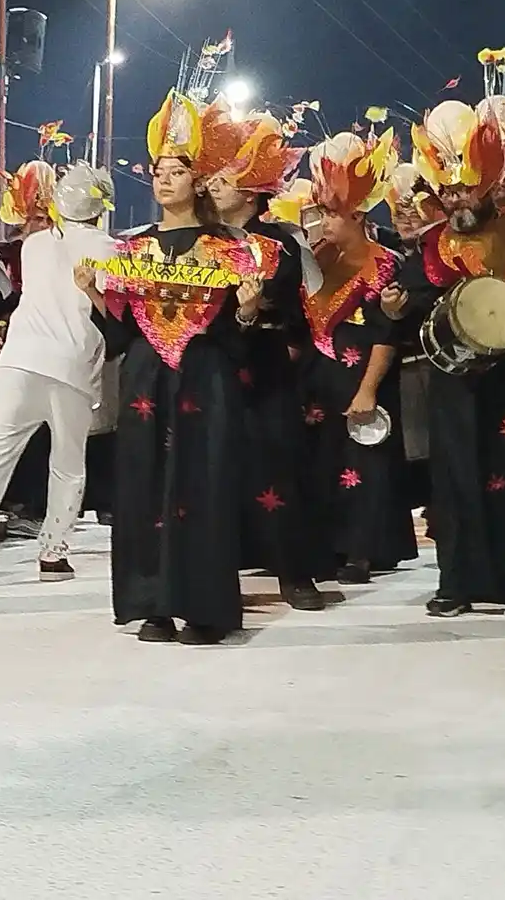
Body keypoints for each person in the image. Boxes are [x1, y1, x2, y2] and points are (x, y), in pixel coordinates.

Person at [75, 90, 269, 645]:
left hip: (205, 376)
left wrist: (250, 309)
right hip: (145, 377)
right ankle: (153, 603)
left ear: (198, 180)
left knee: (201, 482)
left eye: (177, 170)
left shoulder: (229, 249)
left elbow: (236, 337)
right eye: (158, 171)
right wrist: (94, 296)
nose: (163, 180)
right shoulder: (131, 251)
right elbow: (120, 335)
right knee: (141, 482)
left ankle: (202, 607)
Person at [386, 53, 505, 616]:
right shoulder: (433, 247)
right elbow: (415, 304)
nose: (451, 201)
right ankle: (459, 580)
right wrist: (399, 305)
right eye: (444, 193)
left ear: (488, 184)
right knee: (456, 479)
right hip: (456, 384)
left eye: (462, 191)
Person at [0, 161, 115, 583]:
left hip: (20, 359)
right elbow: (111, 312)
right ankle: (53, 554)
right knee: (68, 465)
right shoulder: (111, 250)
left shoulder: (34, 245)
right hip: (72, 365)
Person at [200, 103, 329, 610]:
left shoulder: (279, 241)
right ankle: (215, 575)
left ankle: (296, 574)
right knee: (213, 468)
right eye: (209, 179)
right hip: (213, 366)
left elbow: (282, 296)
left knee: (280, 466)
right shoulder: (200, 239)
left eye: (224, 180)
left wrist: (247, 306)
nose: (211, 187)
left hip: (267, 367)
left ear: (252, 191)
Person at [288, 130, 417, 582]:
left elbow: (388, 333)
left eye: (331, 214)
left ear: (358, 214)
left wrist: (368, 388)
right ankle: (328, 546)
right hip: (319, 380)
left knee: (366, 465)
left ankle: (362, 550)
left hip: (363, 378)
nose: (324, 223)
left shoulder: (384, 264)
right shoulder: (318, 259)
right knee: (322, 463)